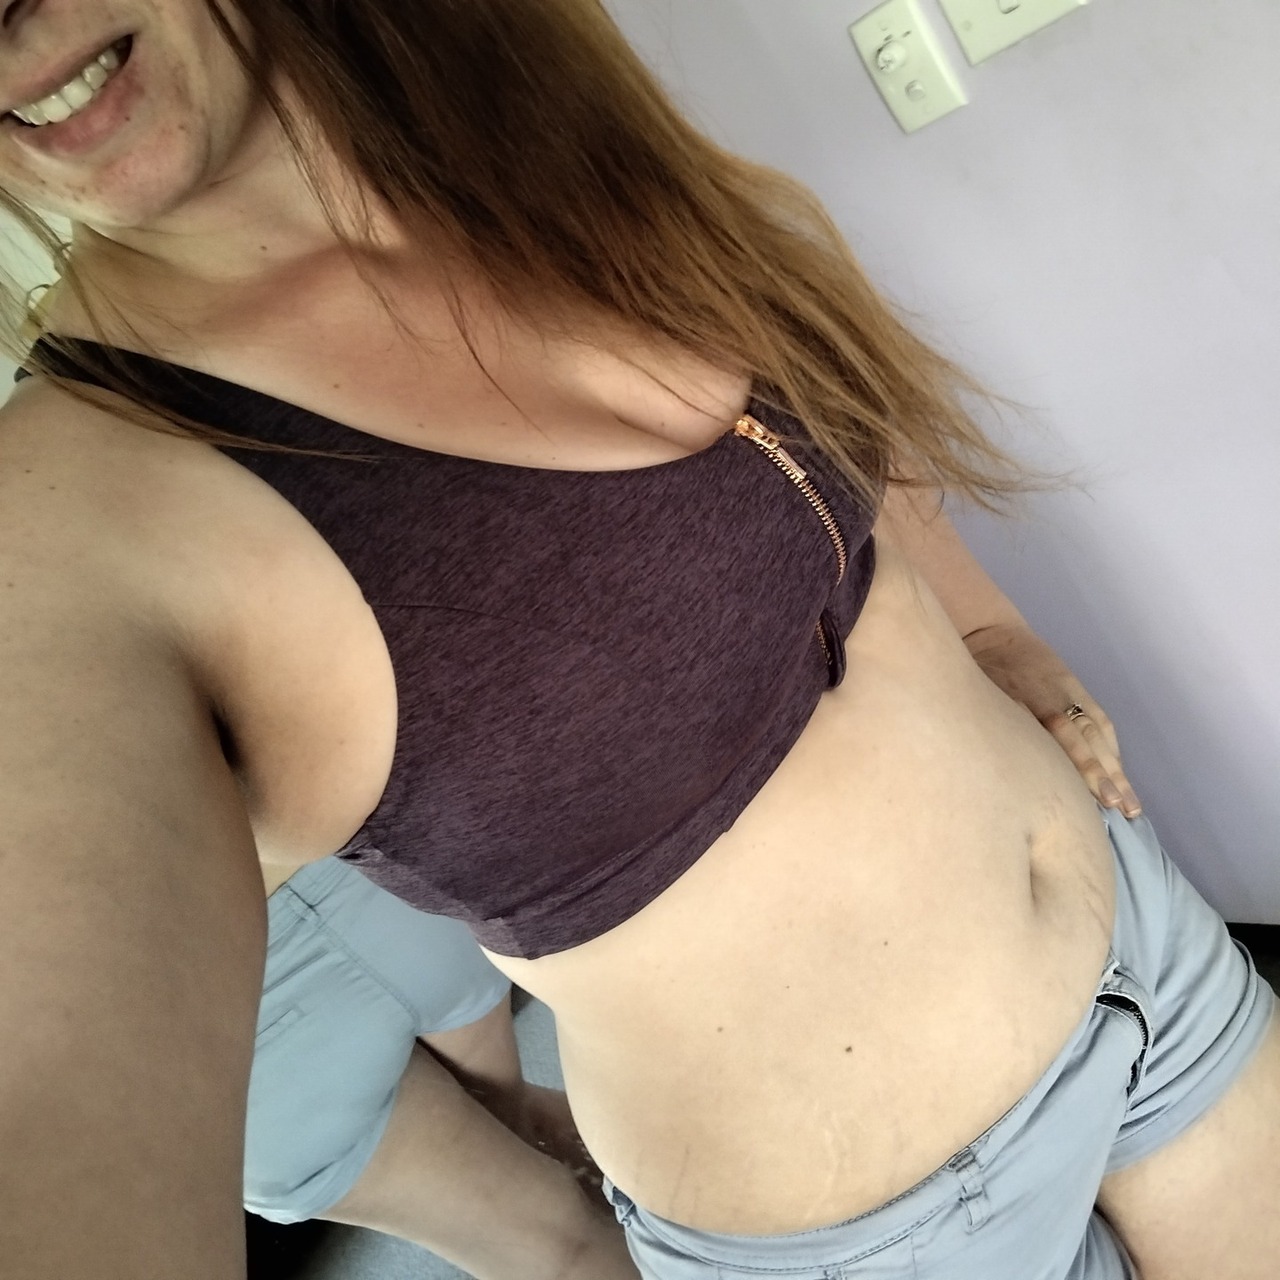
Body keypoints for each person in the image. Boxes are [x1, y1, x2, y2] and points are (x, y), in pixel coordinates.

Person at [0, 3, 1275, 1279]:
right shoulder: (74, 527)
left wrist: (996, 631)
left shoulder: (536, 150)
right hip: (887, 1242)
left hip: (1147, 963)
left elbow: (814, 428)